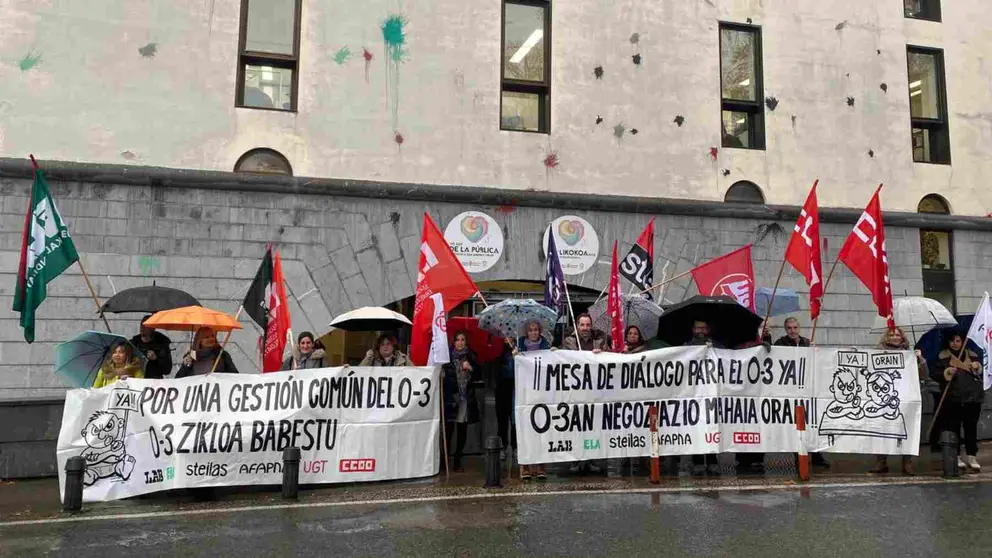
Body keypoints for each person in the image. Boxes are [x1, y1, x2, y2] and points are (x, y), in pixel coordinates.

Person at [869, 327, 927, 475]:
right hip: (882, 398)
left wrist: (920, 360)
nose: (894, 337)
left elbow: (924, 375)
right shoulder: (877, 352)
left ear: (902, 338)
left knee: (906, 429)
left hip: (905, 398)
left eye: (897, 335)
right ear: (886, 337)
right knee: (881, 429)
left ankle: (907, 461)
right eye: (891, 334)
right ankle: (881, 461)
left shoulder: (910, 353)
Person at [561, 314, 610, 475]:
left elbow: (609, 358)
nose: (585, 328)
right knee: (576, 427)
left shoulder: (600, 341)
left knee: (592, 428)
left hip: (594, 392)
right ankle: (576, 459)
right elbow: (561, 360)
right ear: (577, 326)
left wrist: (602, 354)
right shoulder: (569, 342)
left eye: (588, 325)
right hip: (575, 393)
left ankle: (591, 459)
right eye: (582, 325)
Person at [933, 332, 984, 473]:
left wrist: (978, 367)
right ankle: (956, 455)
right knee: (953, 427)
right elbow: (935, 374)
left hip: (972, 398)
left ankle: (971, 456)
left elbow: (984, 373)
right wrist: (947, 372)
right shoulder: (942, 357)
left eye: (958, 341)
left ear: (963, 342)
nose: (955, 344)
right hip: (952, 398)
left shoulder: (973, 355)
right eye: (952, 341)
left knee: (970, 427)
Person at [509, 320, 552, 480]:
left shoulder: (546, 347)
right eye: (530, 330)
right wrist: (513, 359)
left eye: (536, 330)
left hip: (541, 394)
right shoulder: (518, 348)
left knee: (541, 428)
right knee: (524, 429)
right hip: (523, 393)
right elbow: (509, 372)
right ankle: (525, 466)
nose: (533, 332)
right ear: (526, 332)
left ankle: (541, 465)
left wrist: (555, 355)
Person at [441, 331, 480, 473]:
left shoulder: (470, 355)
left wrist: (471, 368)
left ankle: (458, 458)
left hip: (465, 398)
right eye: (457, 339)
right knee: (448, 429)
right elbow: (443, 375)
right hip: (451, 398)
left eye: (463, 339)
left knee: (462, 429)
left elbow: (479, 374)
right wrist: (443, 376)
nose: (460, 342)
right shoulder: (446, 357)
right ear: (454, 342)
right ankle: (444, 459)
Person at [687, 319, 721, 475]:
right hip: (693, 394)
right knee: (696, 428)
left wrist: (713, 349)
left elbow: (730, 356)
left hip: (711, 393)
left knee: (712, 427)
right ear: (693, 330)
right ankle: (698, 461)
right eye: (697, 328)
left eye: (703, 327)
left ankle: (713, 460)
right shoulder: (686, 346)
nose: (700, 330)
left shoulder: (717, 345)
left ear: (708, 329)